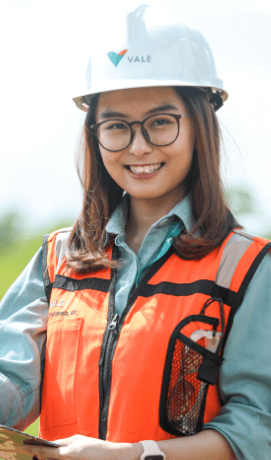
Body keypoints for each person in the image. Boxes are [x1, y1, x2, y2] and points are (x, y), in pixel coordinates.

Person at [0, 5, 270, 460]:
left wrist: (136, 455)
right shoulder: (57, 258)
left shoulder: (247, 268)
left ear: (199, 125)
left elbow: (257, 428)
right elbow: (12, 379)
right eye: (116, 127)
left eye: (161, 122)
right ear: (94, 134)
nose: (138, 146)